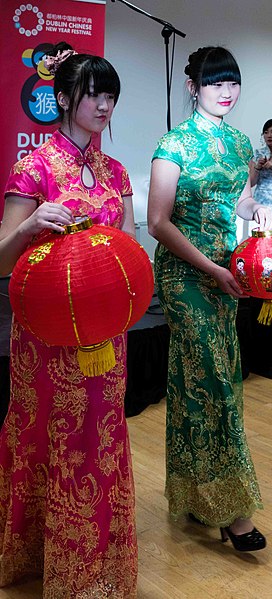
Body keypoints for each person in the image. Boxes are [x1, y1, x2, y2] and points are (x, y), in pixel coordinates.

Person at [0, 43, 137, 596]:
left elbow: (127, 251)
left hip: (104, 333)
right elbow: (3, 257)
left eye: (111, 96)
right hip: (46, 336)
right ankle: (36, 554)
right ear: (62, 98)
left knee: (100, 439)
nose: (104, 105)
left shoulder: (117, 171)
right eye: (93, 94)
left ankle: (97, 563)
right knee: (42, 436)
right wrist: (33, 224)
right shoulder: (33, 166)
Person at [147, 46, 272, 552]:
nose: (226, 92)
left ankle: (196, 495)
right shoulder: (173, 143)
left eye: (233, 83)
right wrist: (212, 268)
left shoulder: (241, 144)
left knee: (200, 379)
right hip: (186, 276)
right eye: (216, 83)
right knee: (215, 381)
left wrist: (259, 213)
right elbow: (158, 222)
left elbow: (238, 201)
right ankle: (232, 511)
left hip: (229, 273)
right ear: (194, 86)